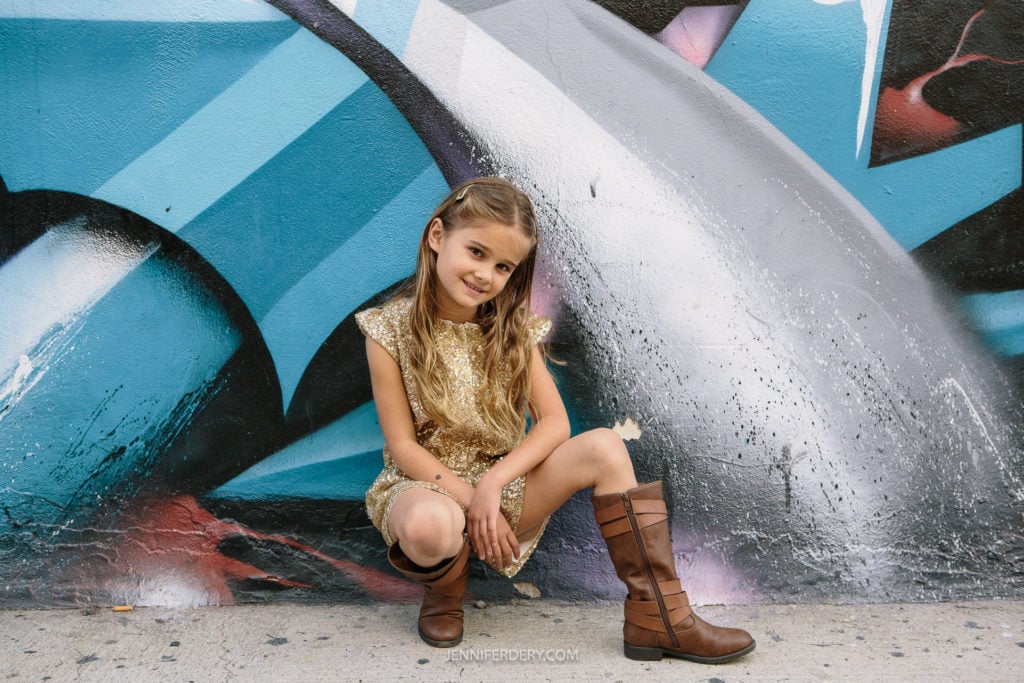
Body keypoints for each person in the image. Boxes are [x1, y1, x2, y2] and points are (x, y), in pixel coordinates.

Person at [355, 177, 755, 663]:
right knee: (429, 528)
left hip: (503, 488)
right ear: (438, 237)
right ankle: (444, 594)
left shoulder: (513, 333)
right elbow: (403, 447)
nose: (486, 274)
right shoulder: (388, 329)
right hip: (423, 485)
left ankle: (659, 618)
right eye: (476, 252)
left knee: (606, 446)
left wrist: (492, 487)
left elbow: (554, 425)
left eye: (503, 266)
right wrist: (468, 498)